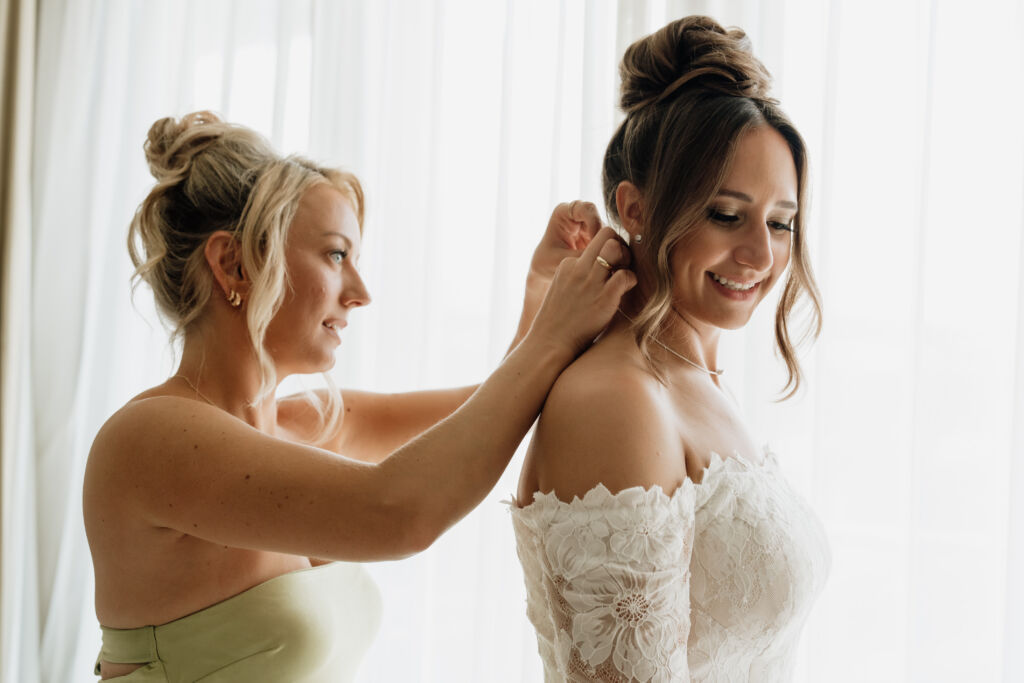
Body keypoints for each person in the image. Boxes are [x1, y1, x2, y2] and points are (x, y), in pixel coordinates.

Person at [83, 111, 636, 681]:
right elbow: (399, 511)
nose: (361, 293)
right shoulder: (147, 440)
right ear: (234, 263)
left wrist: (541, 297)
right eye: (336, 254)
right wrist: (552, 331)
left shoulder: (309, 425)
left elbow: (491, 408)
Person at [510, 16, 831, 682]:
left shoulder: (697, 379)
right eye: (725, 213)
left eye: (781, 221)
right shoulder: (615, 400)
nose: (761, 254)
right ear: (635, 207)